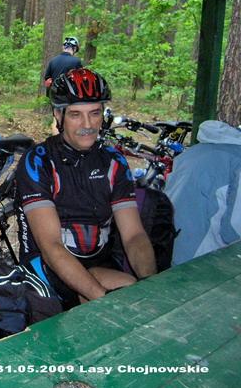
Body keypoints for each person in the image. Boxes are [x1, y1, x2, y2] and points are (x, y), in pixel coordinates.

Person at [15, 68, 156, 309]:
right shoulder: (38, 161)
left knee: (134, 290)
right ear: (58, 115)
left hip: (100, 264)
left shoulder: (113, 161)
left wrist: (151, 286)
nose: (88, 124)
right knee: (124, 290)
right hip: (48, 270)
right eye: (75, 115)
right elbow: (51, 247)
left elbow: (134, 235)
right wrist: (104, 300)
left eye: (95, 113)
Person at [165, 120, 241, 265]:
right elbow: (233, 231)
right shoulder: (237, 161)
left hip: (165, 247)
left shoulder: (196, 151)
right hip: (200, 261)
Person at [44, 37, 82, 135]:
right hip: (70, 96)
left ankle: (57, 141)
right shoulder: (76, 61)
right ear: (74, 49)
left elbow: (47, 80)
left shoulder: (53, 61)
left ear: (63, 47)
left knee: (56, 121)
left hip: (55, 96)